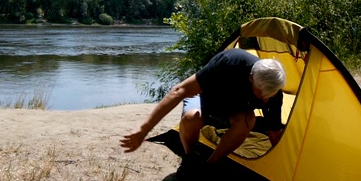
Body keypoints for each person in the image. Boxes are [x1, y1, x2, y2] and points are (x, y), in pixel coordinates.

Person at [120, 48, 286, 170]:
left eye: (269, 96)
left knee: (248, 120)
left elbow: (274, 132)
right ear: (251, 77)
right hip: (206, 100)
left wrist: (283, 168)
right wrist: (143, 130)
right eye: (261, 94)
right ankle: (189, 158)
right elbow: (179, 91)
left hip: (232, 112)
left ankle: (209, 167)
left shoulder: (273, 92)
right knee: (192, 117)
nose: (265, 99)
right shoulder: (229, 63)